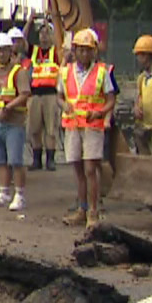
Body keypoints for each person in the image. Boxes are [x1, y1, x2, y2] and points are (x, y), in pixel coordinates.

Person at [59, 28, 116, 229]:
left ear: (94, 52)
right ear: (74, 51)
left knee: (91, 169)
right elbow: (61, 96)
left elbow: (110, 99)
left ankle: (93, 211)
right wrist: (63, 104)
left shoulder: (101, 72)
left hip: (93, 126)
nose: (84, 54)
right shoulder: (66, 72)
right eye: (80, 50)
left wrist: (100, 113)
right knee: (78, 170)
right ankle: (82, 209)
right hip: (73, 125)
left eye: (88, 50)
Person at [0, 32, 29, 213]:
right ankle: (3, 193)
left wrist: (9, 107)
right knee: (0, 160)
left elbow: (25, 94)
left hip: (14, 122)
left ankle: (19, 194)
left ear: (10, 51)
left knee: (16, 160)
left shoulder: (19, 72)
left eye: (4, 51)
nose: (1, 54)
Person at [25, 20, 62, 172]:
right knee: (34, 128)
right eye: (41, 33)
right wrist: (30, 21)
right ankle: (36, 159)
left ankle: (50, 159)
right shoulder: (34, 51)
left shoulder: (56, 53)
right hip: (35, 94)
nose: (44, 36)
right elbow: (22, 40)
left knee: (51, 128)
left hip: (51, 94)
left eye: (47, 32)